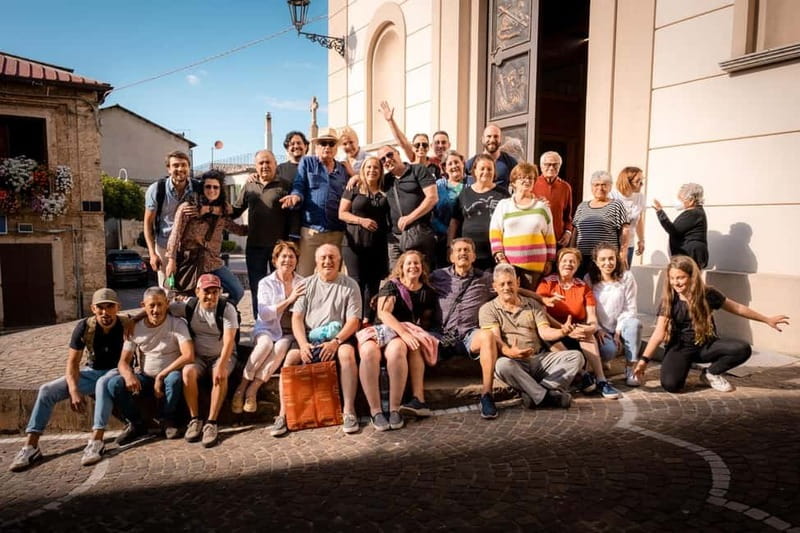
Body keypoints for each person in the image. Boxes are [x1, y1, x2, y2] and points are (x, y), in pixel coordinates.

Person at [9, 289, 130, 471]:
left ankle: (96, 441)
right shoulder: (85, 327)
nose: (105, 312)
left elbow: (151, 311)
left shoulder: (126, 323)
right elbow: (72, 363)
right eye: (100, 307)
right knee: (47, 390)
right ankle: (31, 446)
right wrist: (73, 390)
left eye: (110, 306)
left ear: (117, 307)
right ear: (93, 309)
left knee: (102, 383)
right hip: (92, 371)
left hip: (116, 372)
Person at [633, 256, 789, 392]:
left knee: (742, 349)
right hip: (680, 348)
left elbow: (737, 308)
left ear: (692, 277)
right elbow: (659, 333)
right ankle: (683, 365)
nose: (676, 282)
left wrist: (766, 319)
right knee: (671, 385)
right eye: (672, 278)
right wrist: (644, 360)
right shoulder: (669, 301)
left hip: (705, 346)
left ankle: (711, 373)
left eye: (680, 278)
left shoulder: (708, 294)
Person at [270, 244, 362, 437]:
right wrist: (303, 344)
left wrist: (336, 342)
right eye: (323, 258)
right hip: (310, 336)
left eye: (332, 257)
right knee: (290, 359)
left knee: (347, 354)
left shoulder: (350, 285)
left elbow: (353, 320)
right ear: (316, 261)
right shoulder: (306, 285)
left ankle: (349, 410)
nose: (328, 261)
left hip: (338, 337)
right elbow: (297, 318)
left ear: (339, 261)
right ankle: (283, 414)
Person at [480, 264, 584, 409]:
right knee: (501, 365)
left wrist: (562, 332)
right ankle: (547, 397)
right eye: (502, 284)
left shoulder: (533, 304)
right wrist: (510, 352)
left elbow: (544, 332)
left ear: (518, 283)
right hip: (514, 362)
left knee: (576, 357)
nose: (506, 288)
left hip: (538, 360)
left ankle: (537, 393)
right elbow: (496, 339)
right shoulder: (487, 309)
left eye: (510, 283)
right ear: (494, 286)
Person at [359, 250, 437, 431]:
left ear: (422, 267)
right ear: (401, 267)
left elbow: (425, 319)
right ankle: (376, 411)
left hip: (399, 337)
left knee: (397, 350)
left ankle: (395, 409)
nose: (413, 267)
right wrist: (405, 333)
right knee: (369, 352)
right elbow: (383, 313)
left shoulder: (427, 292)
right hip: (381, 331)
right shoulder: (392, 286)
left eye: (416, 263)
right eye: (409, 263)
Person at [424, 238, 501, 419]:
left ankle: (487, 394)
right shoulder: (437, 276)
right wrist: (385, 293)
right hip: (440, 334)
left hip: (468, 335)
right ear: (451, 257)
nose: (463, 253)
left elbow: (508, 286)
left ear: (474, 256)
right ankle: (416, 397)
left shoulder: (485, 279)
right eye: (458, 250)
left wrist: (540, 298)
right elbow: (410, 282)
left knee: (487, 336)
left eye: (467, 250)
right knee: (417, 340)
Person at [108, 287, 194, 444]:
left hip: (169, 375)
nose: (156, 310)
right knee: (114, 384)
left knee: (174, 379)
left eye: (160, 305)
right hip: (146, 377)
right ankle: (136, 423)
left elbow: (188, 355)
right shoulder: (135, 328)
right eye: (151, 305)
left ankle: (166, 419)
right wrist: (128, 375)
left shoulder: (177, 324)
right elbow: (123, 361)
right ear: (143, 306)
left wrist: (161, 375)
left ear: (167, 304)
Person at [537, 247, 622, 399]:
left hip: (576, 330)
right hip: (555, 329)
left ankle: (601, 380)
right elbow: (541, 314)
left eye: (572, 261)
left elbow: (592, 317)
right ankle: (583, 374)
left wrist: (592, 327)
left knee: (586, 333)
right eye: (564, 261)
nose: (568, 264)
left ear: (577, 265)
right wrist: (564, 329)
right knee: (548, 336)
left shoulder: (582, 286)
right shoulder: (547, 283)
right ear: (558, 263)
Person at [233, 241, 305, 413]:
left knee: (279, 348)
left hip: (288, 332)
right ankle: (241, 386)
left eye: (292, 257)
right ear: (275, 260)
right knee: (265, 345)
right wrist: (289, 300)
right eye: (284, 256)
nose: (288, 260)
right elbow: (264, 314)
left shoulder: (302, 282)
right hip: (266, 327)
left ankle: (253, 389)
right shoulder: (266, 282)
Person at [169, 274, 238, 448]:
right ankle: (195, 419)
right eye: (207, 292)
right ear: (197, 292)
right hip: (199, 356)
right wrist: (135, 319)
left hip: (222, 354)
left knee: (220, 375)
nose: (211, 296)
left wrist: (221, 365)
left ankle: (211, 422)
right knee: (187, 372)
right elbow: (161, 308)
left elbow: (229, 340)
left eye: (215, 292)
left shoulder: (226, 308)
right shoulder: (188, 307)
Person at [165, 169, 247, 303]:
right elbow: (175, 235)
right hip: (192, 263)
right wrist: (171, 260)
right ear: (202, 188)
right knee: (192, 302)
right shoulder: (188, 208)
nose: (212, 190)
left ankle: (220, 311)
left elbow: (236, 229)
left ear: (221, 189)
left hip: (213, 263)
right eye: (208, 186)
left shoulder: (222, 211)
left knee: (237, 291)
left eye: (216, 187)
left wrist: (257, 227)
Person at [280, 127, 349, 277]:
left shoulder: (343, 169)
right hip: (312, 232)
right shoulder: (307, 162)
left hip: (336, 232)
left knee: (333, 277)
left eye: (331, 144)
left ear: (336, 148)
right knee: (304, 276)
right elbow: (299, 185)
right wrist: (295, 196)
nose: (327, 147)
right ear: (316, 146)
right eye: (323, 143)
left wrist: (355, 176)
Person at [232, 150, 292, 317]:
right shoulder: (249, 185)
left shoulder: (285, 185)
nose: (265, 166)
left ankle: (280, 323)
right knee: (257, 286)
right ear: (256, 166)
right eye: (261, 163)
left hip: (279, 248)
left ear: (275, 164)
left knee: (280, 286)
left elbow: (293, 215)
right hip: (255, 246)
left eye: (268, 162)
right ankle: (260, 321)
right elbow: (235, 210)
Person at [338, 156, 390, 322]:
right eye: (368, 167)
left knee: (373, 284)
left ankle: (368, 321)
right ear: (363, 169)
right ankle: (354, 320)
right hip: (354, 243)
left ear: (380, 171)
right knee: (356, 282)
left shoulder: (385, 190)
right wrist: (361, 221)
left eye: (376, 167)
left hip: (377, 244)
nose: (372, 170)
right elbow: (342, 213)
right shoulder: (353, 188)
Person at [489, 162, 556, 291]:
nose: (527, 181)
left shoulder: (542, 207)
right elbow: (495, 232)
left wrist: (550, 261)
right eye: (522, 177)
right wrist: (500, 258)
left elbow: (550, 235)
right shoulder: (504, 205)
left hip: (534, 266)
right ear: (513, 182)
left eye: (530, 178)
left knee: (531, 300)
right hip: (509, 265)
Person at [586, 242, 643, 387]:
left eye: (611, 258)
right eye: (603, 259)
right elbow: (587, 308)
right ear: (596, 262)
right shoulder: (589, 279)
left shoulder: (627, 277)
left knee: (635, 325)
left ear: (616, 259)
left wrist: (618, 330)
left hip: (621, 325)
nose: (608, 263)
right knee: (609, 351)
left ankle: (630, 368)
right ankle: (603, 361)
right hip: (600, 328)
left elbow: (630, 308)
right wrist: (598, 329)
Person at [377, 144, 438, 270]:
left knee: (420, 274)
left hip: (418, 235)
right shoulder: (385, 180)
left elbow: (432, 198)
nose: (387, 160)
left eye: (389, 155)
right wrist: (355, 177)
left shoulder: (418, 170)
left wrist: (409, 218)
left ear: (398, 153)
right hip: (395, 238)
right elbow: (367, 177)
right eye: (383, 159)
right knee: (395, 276)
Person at [143, 150, 197, 286]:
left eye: (184, 165)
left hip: (190, 248)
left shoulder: (198, 188)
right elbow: (147, 224)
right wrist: (152, 254)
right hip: (164, 247)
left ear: (189, 167)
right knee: (168, 288)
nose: (180, 169)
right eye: (175, 165)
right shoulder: (157, 189)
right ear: (168, 169)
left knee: (191, 288)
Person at [449, 154, 509, 271]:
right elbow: (455, 221)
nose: (486, 172)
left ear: (494, 172)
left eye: (489, 169)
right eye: (482, 168)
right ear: (475, 171)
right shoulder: (464, 193)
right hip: (467, 255)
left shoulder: (503, 194)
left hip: (494, 254)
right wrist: (449, 246)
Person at [572, 170, 630, 276]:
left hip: (605, 259)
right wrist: (571, 251)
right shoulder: (582, 206)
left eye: (604, 185)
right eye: (596, 185)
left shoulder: (616, 205)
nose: (600, 188)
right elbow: (575, 231)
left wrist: (623, 253)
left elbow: (625, 230)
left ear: (610, 187)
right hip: (582, 258)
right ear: (591, 187)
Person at [378, 100, 442, 179]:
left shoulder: (435, 167)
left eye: (424, 145)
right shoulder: (409, 169)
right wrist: (390, 121)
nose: (421, 147)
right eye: (417, 145)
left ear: (428, 147)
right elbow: (402, 142)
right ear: (413, 148)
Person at [652, 183, 708, 269]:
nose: (678, 201)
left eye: (680, 199)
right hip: (688, 255)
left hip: (689, 256)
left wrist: (660, 212)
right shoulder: (695, 213)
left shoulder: (693, 214)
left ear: (691, 200)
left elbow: (673, 230)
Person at [533, 151, 574, 248]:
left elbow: (568, 217)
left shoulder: (565, 187)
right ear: (541, 166)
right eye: (548, 164)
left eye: (555, 165)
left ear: (560, 166)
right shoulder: (532, 184)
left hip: (558, 240)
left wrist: (568, 232)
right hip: (536, 238)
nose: (551, 168)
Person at [433, 151, 466, 267]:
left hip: (464, 239)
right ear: (445, 168)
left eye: (456, 162)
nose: (454, 166)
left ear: (462, 164)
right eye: (450, 164)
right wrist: (445, 230)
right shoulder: (438, 186)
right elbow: (431, 212)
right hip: (441, 239)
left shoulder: (471, 184)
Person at [611, 166, 646, 265]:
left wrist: (641, 240)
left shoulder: (640, 197)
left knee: (625, 273)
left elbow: (639, 220)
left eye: (642, 180)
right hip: (613, 244)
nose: (642, 184)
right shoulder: (612, 196)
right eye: (638, 181)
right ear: (627, 182)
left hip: (629, 244)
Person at [466, 124, 517, 190]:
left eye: (496, 136)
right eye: (489, 136)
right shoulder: (472, 163)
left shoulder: (510, 162)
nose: (492, 140)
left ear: (501, 139)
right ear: (483, 139)